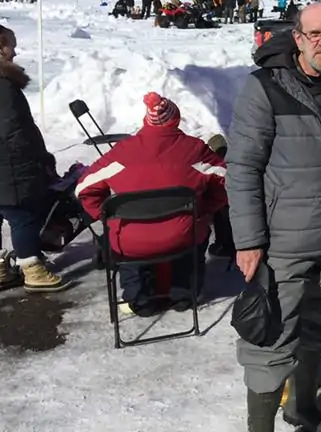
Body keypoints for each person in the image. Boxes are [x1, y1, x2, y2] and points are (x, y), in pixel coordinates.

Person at [227, 2, 321, 432]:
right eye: (315, 34)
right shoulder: (266, 87)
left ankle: (301, 406)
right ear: (298, 38)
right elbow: (243, 167)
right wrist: (248, 241)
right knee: (270, 338)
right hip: (283, 240)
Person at [76, 92, 228, 316]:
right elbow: (227, 180)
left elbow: (83, 188)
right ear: (176, 119)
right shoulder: (194, 150)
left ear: (146, 120)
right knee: (195, 228)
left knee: (129, 240)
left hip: (129, 241)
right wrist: (205, 207)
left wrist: (106, 215)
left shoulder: (122, 152)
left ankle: (139, 298)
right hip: (182, 236)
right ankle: (184, 294)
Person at [0, 24, 67, 292]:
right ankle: (33, 269)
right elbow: (12, 129)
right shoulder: (3, 86)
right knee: (23, 216)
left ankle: (2, 271)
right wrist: (35, 159)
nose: (14, 51)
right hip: (10, 168)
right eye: (10, 45)